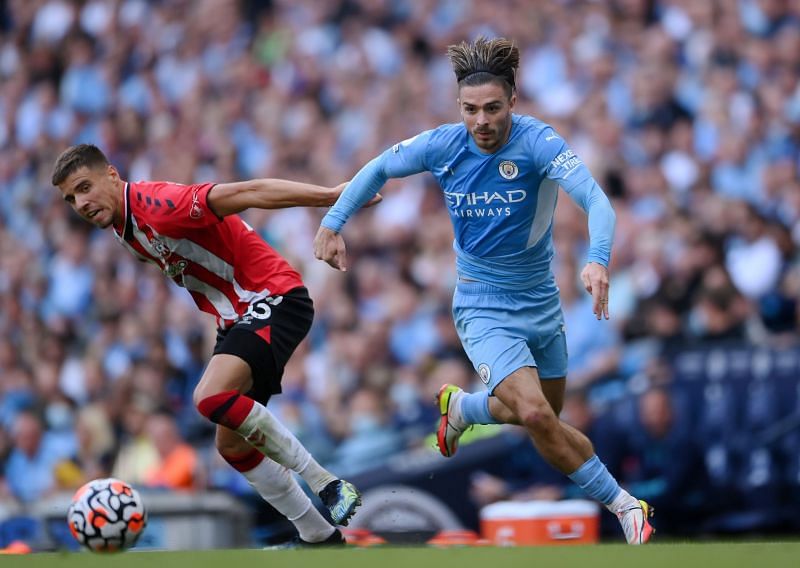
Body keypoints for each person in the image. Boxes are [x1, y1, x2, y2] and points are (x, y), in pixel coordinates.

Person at [314, 37, 654, 544]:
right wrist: (334, 221)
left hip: (542, 303)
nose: (481, 121)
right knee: (537, 414)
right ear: (459, 107)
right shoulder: (443, 144)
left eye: (493, 108)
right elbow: (381, 165)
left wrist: (598, 259)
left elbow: (596, 201)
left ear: (513, 102)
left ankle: (464, 409)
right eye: (471, 110)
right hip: (482, 304)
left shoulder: (539, 142)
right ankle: (625, 506)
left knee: (546, 416)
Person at [52, 144, 377, 547]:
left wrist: (330, 197)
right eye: (71, 198)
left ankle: (326, 484)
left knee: (208, 397)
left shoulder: (158, 205)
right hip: (237, 316)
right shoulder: (125, 230)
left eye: (85, 187)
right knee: (231, 445)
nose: (81, 203)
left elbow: (249, 192)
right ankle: (318, 536)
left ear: (112, 175)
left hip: (273, 298)